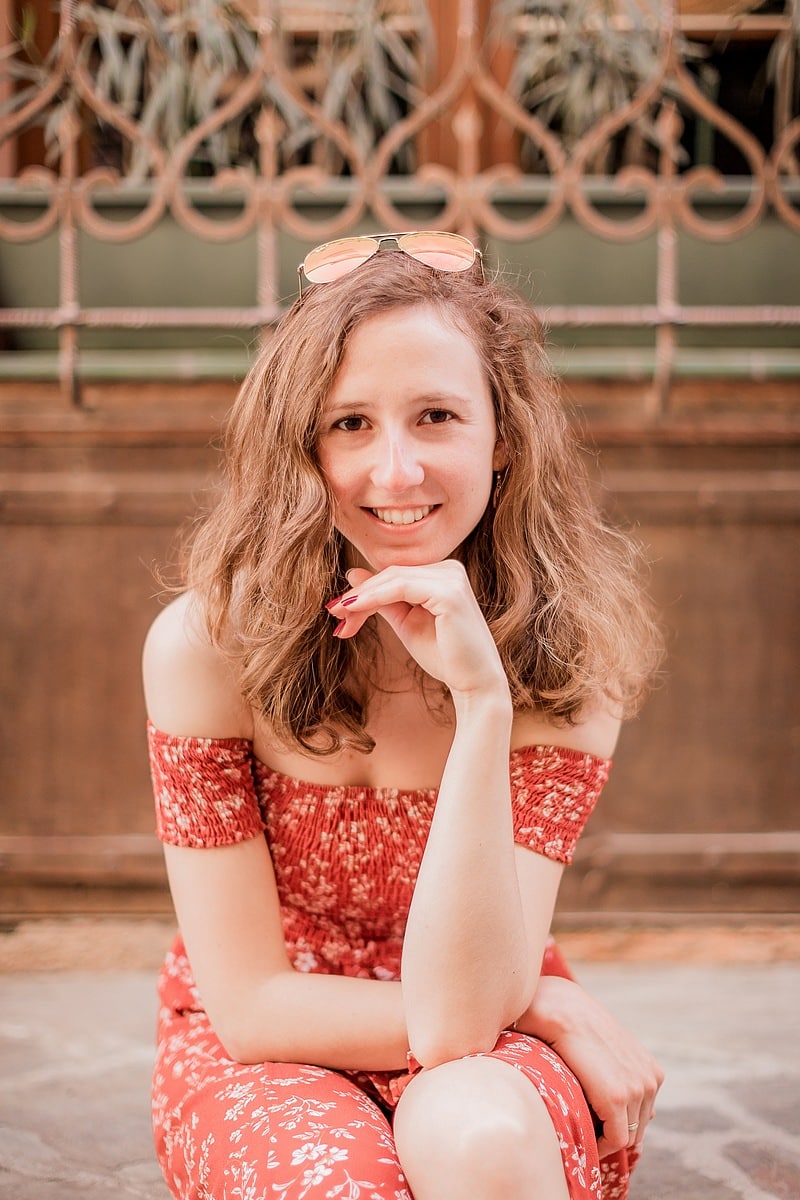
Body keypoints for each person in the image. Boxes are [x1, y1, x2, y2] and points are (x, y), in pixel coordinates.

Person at [143, 231, 664, 1200]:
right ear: (299, 442)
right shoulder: (203, 647)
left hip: (479, 1017)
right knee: (336, 1183)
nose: (394, 472)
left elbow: (460, 1024)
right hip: (272, 1049)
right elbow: (252, 1008)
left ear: (500, 434)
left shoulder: (568, 658)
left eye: (435, 416)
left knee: (479, 1139)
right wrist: (540, 1001)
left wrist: (479, 703)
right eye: (347, 424)